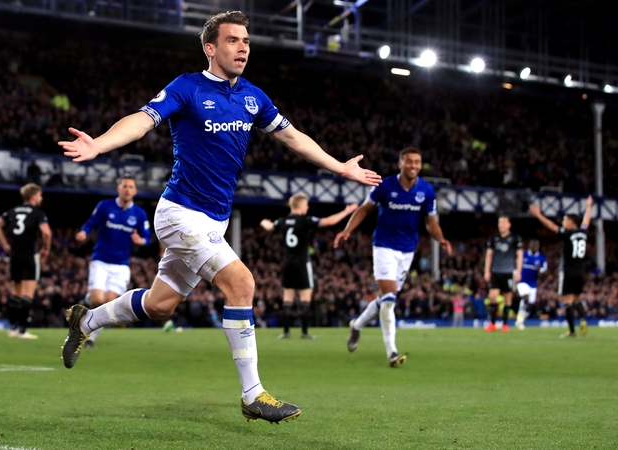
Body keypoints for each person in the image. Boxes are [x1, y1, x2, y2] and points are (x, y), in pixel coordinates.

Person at [57, 11, 381, 423]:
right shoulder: (187, 87)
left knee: (160, 306)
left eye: (246, 40)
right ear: (211, 48)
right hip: (179, 214)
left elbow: (293, 137)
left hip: (214, 221)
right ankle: (253, 394)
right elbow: (142, 120)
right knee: (242, 283)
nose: (243, 46)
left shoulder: (252, 96)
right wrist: (100, 145)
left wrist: (341, 167)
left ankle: (87, 319)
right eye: (232, 40)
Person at [334, 147, 451, 367]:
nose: (414, 166)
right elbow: (364, 209)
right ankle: (392, 352)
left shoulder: (426, 190)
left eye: (417, 162)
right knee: (389, 299)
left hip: (408, 250)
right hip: (384, 246)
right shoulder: (385, 186)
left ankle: (357, 325)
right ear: (401, 164)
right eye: (409, 162)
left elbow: (431, 221)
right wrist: (348, 230)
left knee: (385, 300)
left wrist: (441, 239)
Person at [260, 194, 357, 339]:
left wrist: (263, 222)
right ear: (299, 205)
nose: (308, 207)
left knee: (288, 297)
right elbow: (329, 222)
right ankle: (304, 332)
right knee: (305, 297)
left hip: (287, 263)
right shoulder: (305, 220)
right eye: (306, 204)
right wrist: (347, 211)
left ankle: (286, 332)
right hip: (301, 263)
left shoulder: (283, 221)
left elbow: (268, 226)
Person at [75, 176, 151, 348]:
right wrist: (83, 233)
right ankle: (89, 299)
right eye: (124, 186)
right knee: (96, 300)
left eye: (131, 187)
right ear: (119, 189)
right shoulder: (105, 206)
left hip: (121, 265)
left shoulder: (139, 214)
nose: (127, 189)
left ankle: (91, 337)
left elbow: (146, 237)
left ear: (135, 191)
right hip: (100, 260)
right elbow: (90, 223)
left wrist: (141, 241)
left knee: (108, 303)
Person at [0, 183, 51, 340]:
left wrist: (3, 244)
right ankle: (22, 331)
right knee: (27, 294)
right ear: (33, 197)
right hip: (30, 254)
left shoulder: (13, 211)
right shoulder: (38, 213)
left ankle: (12, 328)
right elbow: (46, 232)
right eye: (39, 195)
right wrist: (46, 248)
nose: (41, 198)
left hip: (15, 254)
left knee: (15, 292)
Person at [529, 196, 592, 338]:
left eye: (564, 220)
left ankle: (571, 331)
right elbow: (586, 221)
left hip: (568, 270)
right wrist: (588, 207)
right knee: (577, 298)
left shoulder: (567, 233)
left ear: (570, 222)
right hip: (580, 271)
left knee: (567, 301)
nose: (563, 222)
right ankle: (582, 319)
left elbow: (551, 226)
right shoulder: (582, 233)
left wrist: (539, 215)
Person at [483, 216, 523, 332]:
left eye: (504, 222)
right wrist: (487, 271)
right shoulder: (493, 238)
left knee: (508, 298)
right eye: (500, 222)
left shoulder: (515, 238)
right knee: (492, 297)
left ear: (509, 225)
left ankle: (505, 325)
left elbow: (520, 255)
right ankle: (492, 324)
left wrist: (518, 272)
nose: (501, 224)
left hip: (508, 271)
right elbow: (489, 255)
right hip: (495, 271)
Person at [514, 239, 548, 330]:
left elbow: (545, 273)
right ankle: (519, 320)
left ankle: (521, 318)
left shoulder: (541, 258)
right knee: (525, 297)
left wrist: (540, 270)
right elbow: (515, 265)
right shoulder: (523, 255)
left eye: (536, 245)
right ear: (529, 246)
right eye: (532, 245)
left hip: (533, 283)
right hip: (522, 281)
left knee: (530, 302)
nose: (533, 247)